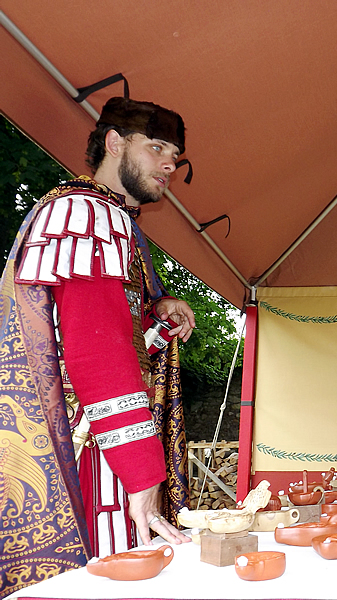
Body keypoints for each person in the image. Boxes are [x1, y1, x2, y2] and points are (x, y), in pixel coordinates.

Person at [1, 97, 193, 596]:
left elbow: (103, 331)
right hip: (94, 449)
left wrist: (156, 311)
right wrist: (143, 474)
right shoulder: (86, 213)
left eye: (175, 155)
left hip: (92, 436)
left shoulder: (113, 223)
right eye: (155, 148)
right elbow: (96, 353)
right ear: (113, 142)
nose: (169, 164)